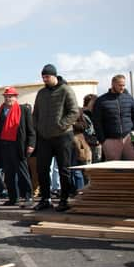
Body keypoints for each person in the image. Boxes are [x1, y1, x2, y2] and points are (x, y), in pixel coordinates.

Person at [32, 64, 80, 211]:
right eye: (43, 77)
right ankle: (45, 199)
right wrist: (38, 127)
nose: (45, 80)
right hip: (44, 137)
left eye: (47, 77)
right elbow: (36, 114)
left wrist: (60, 126)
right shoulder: (41, 93)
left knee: (64, 169)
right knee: (42, 169)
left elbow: (74, 112)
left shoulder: (66, 90)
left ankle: (64, 200)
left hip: (62, 136)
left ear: (54, 76)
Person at [0, 87, 35, 207]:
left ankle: (28, 197)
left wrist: (31, 144)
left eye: (11, 96)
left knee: (23, 172)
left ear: (15, 97)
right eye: (6, 96)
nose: (8, 98)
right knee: (9, 174)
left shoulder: (24, 110)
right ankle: (13, 198)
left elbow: (31, 130)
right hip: (4, 145)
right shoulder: (0, 110)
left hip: (18, 145)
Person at [93, 74, 134, 160]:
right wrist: (103, 140)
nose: (122, 87)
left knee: (133, 166)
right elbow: (97, 122)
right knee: (113, 170)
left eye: (124, 85)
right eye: (120, 85)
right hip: (110, 140)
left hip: (129, 139)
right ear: (113, 84)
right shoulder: (101, 101)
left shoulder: (129, 99)